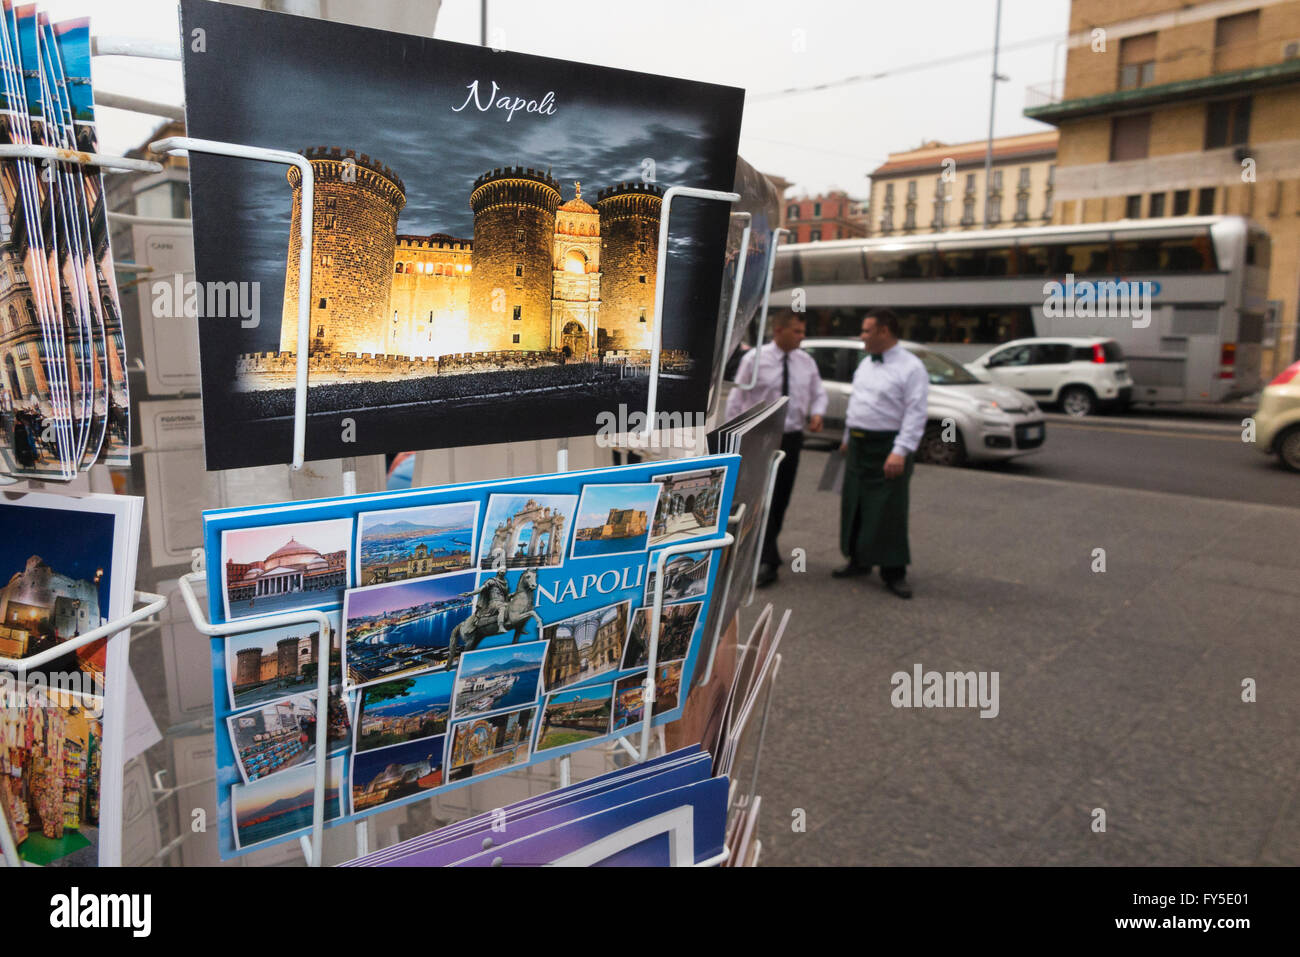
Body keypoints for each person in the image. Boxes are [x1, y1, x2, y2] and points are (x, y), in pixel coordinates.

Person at [725, 312, 827, 588]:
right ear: (778, 330)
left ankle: (764, 551)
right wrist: (734, 439)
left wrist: (817, 413)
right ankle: (766, 559)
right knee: (761, 497)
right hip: (761, 439)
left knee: (781, 498)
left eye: (803, 331)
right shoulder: (754, 360)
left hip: (792, 438)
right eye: (796, 331)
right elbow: (737, 399)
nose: (802, 336)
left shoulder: (806, 362)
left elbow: (819, 392)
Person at [834, 309, 928, 598]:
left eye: (866, 331)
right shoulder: (865, 365)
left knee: (889, 509)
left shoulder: (911, 367)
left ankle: (894, 572)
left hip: (888, 446)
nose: (862, 336)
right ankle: (858, 560)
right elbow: (858, 403)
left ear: (884, 331)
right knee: (856, 503)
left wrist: (900, 451)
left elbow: (916, 413)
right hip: (859, 445)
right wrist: (848, 436)